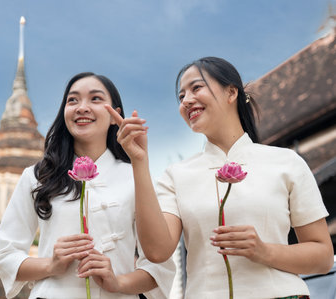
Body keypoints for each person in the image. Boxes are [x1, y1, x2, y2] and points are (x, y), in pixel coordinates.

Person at [105, 57, 334, 298]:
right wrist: (139, 162)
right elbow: (156, 251)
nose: (187, 100)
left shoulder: (287, 162)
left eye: (196, 88)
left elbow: (322, 257)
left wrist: (263, 251)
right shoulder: (176, 175)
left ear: (231, 92)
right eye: (181, 96)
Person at [0, 72, 175, 299]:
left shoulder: (134, 175)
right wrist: (51, 264)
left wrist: (117, 281)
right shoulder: (37, 176)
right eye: (73, 100)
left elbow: (158, 264)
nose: (82, 107)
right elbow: (6, 256)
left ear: (114, 116)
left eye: (95, 99)